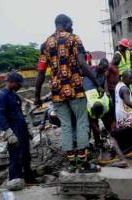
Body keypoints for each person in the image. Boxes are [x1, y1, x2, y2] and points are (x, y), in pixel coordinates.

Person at [35, 14, 100, 173]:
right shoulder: (74, 39)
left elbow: (41, 73)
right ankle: (83, 164)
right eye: (71, 24)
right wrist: (97, 83)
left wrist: (37, 96)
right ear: (66, 23)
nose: (73, 27)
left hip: (57, 93)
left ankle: (72, 165)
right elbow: (83, 64)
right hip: (76, 89)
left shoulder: (45, 44)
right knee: (81, 123)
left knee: (66, 127)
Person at [0, 72, 36, 190]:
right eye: (19, 84)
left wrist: (27, 127)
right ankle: (15, 180)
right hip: (13, 129)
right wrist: (8, 133)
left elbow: (20, 113)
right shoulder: (2, 96)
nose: (20, 86)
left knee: (26, 155)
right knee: (16, 156)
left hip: (21, 128)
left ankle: (29, 178)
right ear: (12, 83)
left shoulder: (15, 96)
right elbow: (1, 116)